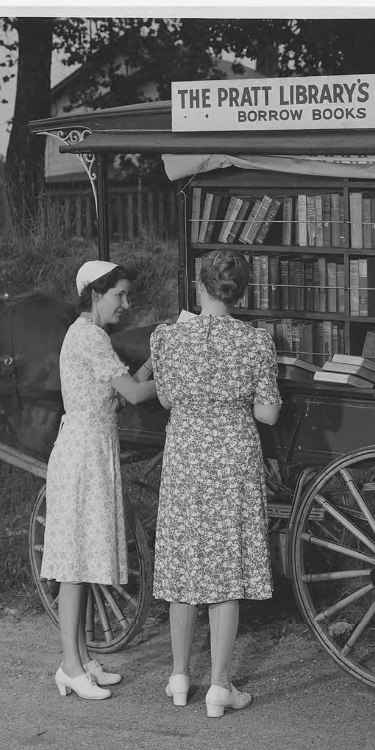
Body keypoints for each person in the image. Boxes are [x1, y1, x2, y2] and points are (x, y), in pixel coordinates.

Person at [150, 252, 282, 717]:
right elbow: (267, 413)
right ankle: (220, 686)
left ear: (199, 287)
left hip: (186, 457)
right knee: (228, 566)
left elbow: (165, 398)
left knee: (183, 564)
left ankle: (180, 676)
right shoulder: (255, 343)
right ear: (240, 291)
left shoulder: (167, 338)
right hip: (232, 460)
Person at [42, 260, 157, 700]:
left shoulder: (92, 336)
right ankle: (70, 667)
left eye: (126, 296)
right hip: (83, 453)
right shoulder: (88, 336)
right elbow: (134, 393)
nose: (126, 305)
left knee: (85, 557)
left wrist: (151, 362)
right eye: (119, 296)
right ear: (95, 294)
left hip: (92, 448)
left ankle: (82, 658)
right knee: (75, 562)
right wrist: (172, 372)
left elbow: (119, 396)